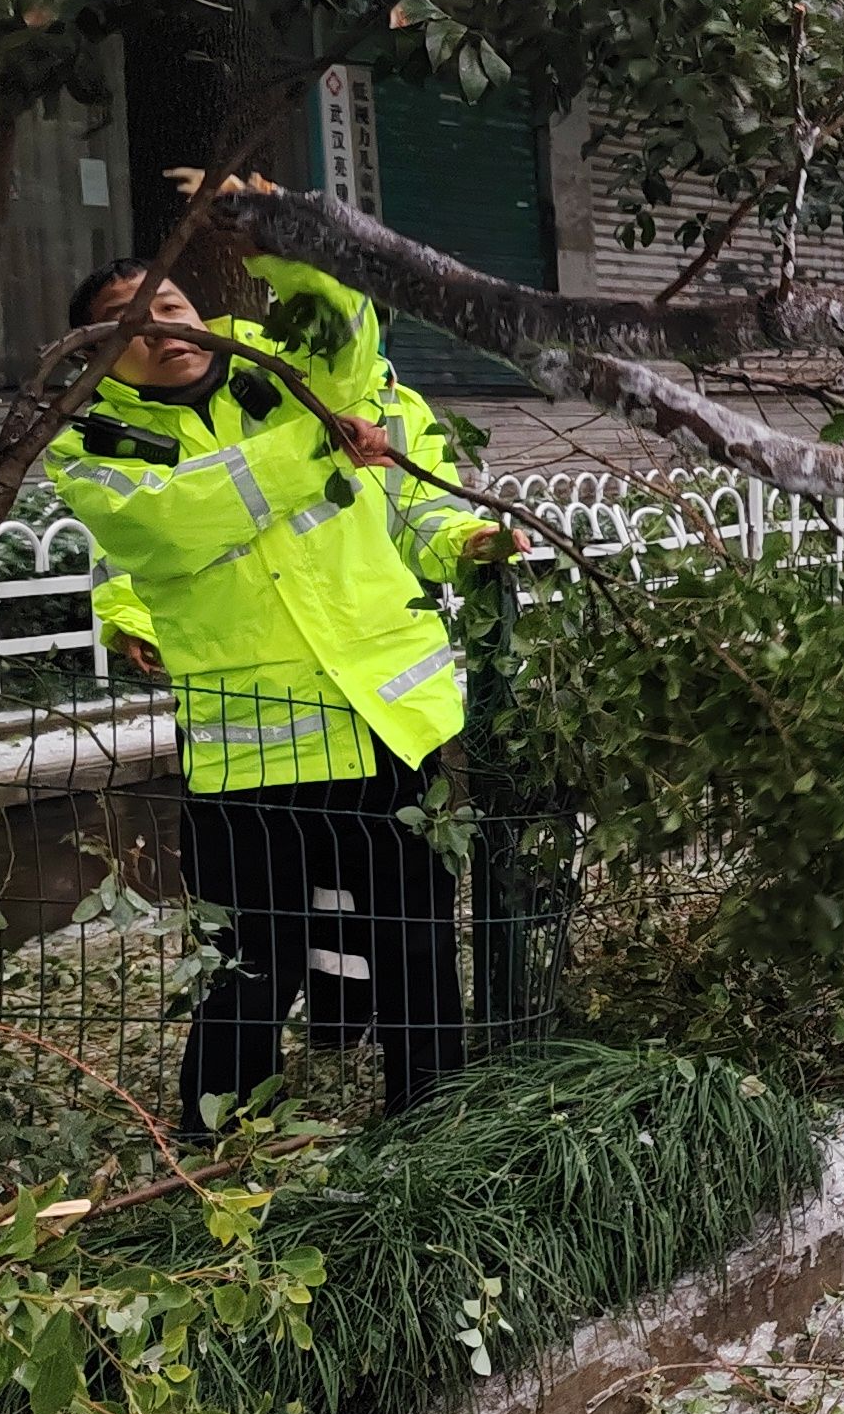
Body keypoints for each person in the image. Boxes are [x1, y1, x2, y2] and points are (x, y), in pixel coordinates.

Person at [51, 253, 507, 1133]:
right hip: (246, 751)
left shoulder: (288, 375)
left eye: (170, 304)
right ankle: (218, 1141)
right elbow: (171, 523)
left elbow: (359, 372)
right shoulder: (94, 444)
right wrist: (321, 440)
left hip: (376, 718)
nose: (160, 331)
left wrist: (279, 238)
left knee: (412, 943)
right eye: (127, 324)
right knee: (250, 960)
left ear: (205, 310)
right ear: (100, 356)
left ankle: (431, 1128)